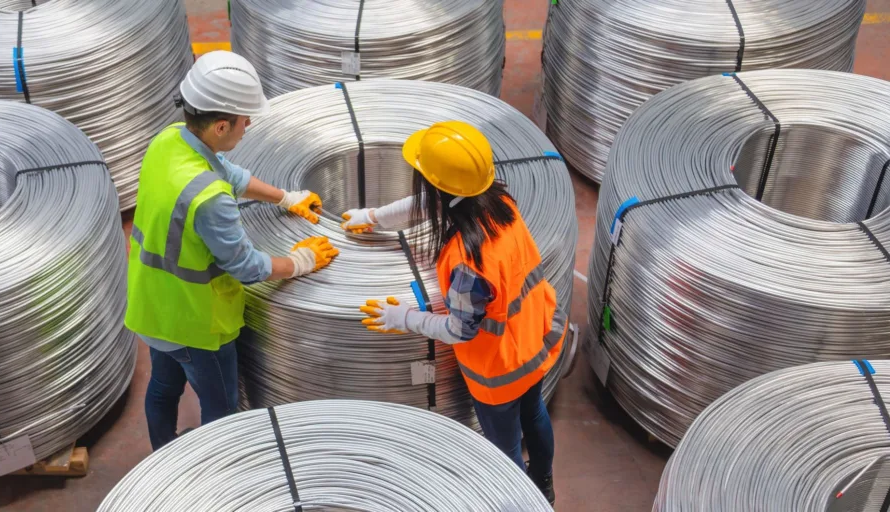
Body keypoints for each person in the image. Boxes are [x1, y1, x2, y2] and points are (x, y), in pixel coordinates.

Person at [125, 51, 340, 451]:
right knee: (221, 408)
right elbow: (246, 266)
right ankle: (217, 475)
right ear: (222, 125)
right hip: (196, 323)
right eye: (244, 120)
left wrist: (285, 197)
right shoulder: (209, 199)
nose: (249, 125)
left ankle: (162, 454)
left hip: (151, 305)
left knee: (162, 387)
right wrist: (301, 261)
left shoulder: (169, 140)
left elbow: (227, 171)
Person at [348, 121, 566, 503]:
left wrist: (405, 319)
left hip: (500, 371)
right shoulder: (501, 204)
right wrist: (375, 217)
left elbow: (460, 329)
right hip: (537, 336)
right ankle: (544, 486)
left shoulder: (468, 260)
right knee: (534, 415)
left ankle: (519, 503)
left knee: (503, 449)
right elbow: (434, 203)